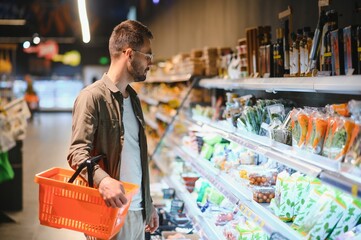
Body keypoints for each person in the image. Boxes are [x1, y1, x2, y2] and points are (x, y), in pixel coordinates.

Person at [67, 20, 159, 240]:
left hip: (137, 211)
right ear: (129, 53)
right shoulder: (92, 97)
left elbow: (135, 155)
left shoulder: (134, 99)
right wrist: (104, 180)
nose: (150, 63)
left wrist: (149, 203)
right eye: (148, 56)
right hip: (109, 211)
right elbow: (76, 153)